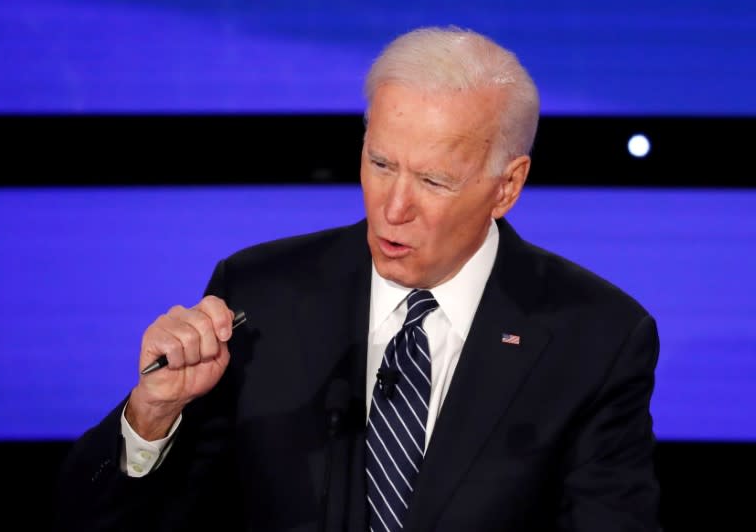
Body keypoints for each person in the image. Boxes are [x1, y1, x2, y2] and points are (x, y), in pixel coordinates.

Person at [53, 26, 661, 532]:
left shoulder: (595, 337)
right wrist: (152, 418)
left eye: (434, 180)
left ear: (508, 185)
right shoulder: (261, 295)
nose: (393, 207)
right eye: (380, 164)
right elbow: (99, 521)